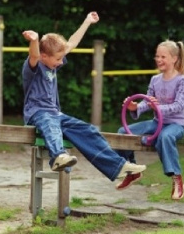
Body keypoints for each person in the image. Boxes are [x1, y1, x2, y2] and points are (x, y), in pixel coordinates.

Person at [22, 12, 146, 183]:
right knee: (51, 124)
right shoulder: (33, 68)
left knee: (88, 130)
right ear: (45, 56)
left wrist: (87, 21)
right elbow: (34, 55)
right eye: (58, 59)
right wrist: (34, 40)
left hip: (56, 114)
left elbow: (72, 43)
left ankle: (118, 166)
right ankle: (58, 156)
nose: (60, 62)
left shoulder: (52, 66)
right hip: (37, 114)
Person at [115, 40, 184, 200]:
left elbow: (179, 105)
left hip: (175, 124)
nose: (158, 59)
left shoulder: (182, 81)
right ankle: (132, 170)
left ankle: (177, 178)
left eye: (163, 56)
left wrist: (158, 108)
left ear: (174, 59)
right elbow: (148, 102)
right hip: (157, 123)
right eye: (157, 56)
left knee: (165, 136)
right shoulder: (155, 80)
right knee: (122, 133)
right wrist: (136, 108)